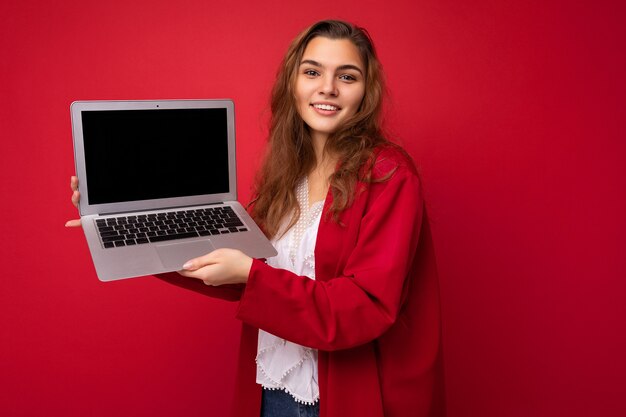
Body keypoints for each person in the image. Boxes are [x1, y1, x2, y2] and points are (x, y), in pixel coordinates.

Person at [67, 19, 445, 417]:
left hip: (347, 394)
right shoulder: (286, 173)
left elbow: (364, 306)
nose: (327, 88)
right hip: (271, 388)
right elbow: (241, 271)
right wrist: (126, 230)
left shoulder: (388, 174)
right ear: (293, 83)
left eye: (346, 76)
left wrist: (250, 274)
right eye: (312, 71)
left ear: (366, 91)